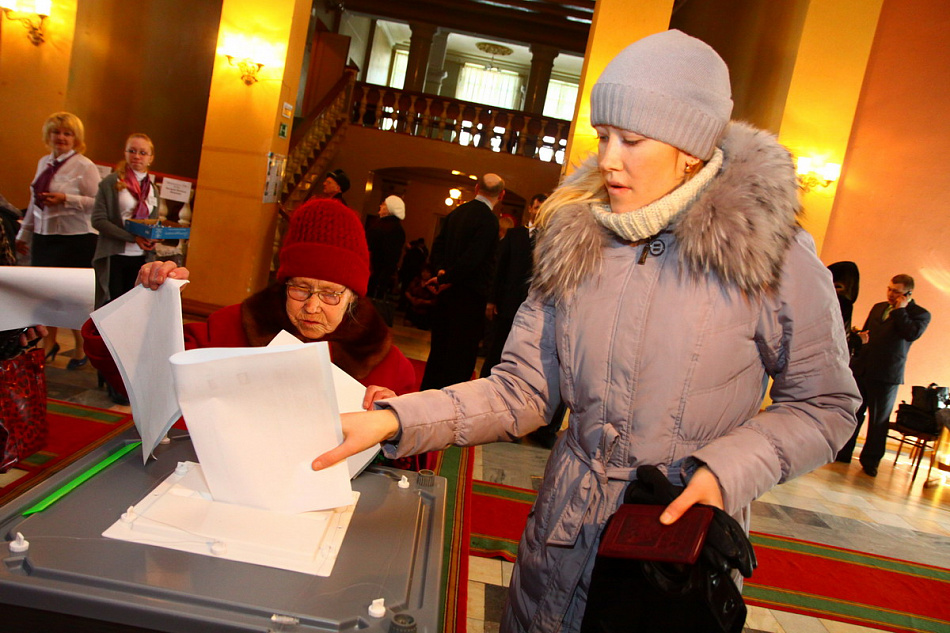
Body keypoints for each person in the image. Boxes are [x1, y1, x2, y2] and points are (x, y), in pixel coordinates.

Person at [312, 30, 859, 633]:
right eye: (604, 136)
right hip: (560, 537)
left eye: (633, 139)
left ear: (691, 149)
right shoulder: (576, 239)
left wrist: (724, 471)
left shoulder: (771, 256)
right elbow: (520, 390)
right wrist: (396, 420)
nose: (608, 159)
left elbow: (826, 403)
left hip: (670, 547)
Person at [85, 198, 417, 403]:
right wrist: (145, 305)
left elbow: (418, 460)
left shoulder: (387, 364)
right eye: (300, 288)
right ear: (283, 283)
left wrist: (394, 424)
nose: (313, 307)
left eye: (331, 294)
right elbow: (138, 377)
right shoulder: (231, 329)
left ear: (353, 298)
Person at [15, 112, 101, 369]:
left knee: (70, 298)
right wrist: (24, 234)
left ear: (76, 138)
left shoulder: (84, 166)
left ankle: (80, 347)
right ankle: (49, 342)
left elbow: (98, 204)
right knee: (44, 296)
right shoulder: (44, 162)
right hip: (44, 236)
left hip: (74, 238)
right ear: (48, 135)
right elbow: (33, 202)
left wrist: (66, 199)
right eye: (57, 132)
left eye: (67, 133)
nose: (61, 137)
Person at [836, 274, 930, 476]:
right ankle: (843, 452)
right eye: (889, 289)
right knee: (854, 412)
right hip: (863, 368)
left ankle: (871, 461)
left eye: (896, 292)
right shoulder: (879, 307)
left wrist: (900, 311)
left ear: (908, 293)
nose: (891, 294)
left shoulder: (919, 314)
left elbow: (911, 334)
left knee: (879, 419)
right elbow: (868, 333)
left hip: (887, 374)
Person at [420, 174, 503, 390]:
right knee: (460, 356)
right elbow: (473, 259)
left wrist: (441, 274)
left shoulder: (457, 212)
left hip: (446, 295)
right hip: (469, 298)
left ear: (476, 188)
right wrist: (448, 278)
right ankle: (449, 404)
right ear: (501, 195)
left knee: (439, 350)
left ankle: (427, 394)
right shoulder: (489, 221)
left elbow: (438, 245)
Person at [481, 193, 547, 378]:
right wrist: (492, 301)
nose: (539, 212)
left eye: (544, 209)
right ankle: (487, 380)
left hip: (534, 306)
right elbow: (499, 269)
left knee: (522, 352)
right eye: (537, 207)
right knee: (497, 348)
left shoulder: (550, 240)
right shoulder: (514, 235)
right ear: (530, 209)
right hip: (507, 303)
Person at [91, 133, 159, 308]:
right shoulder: (111, 183)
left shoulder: (152, 188)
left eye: (143, 153)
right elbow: (98, 220)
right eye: (132, 151)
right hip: (115, 255)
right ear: (125, 153)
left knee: (133, 307)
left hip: (141, 257)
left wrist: (153, 237)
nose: (137, 156)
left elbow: (153, 222)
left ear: (151, 158)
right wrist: (132, 238)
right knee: (114, 306)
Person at [366, 195, 406, 299]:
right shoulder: (385, 225)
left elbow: (390, 259)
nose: (380, 206)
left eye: (383, 204)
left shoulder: (392, 228)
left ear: (389, 209)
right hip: (373, 273)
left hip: (375, 275)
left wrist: (380, 280)